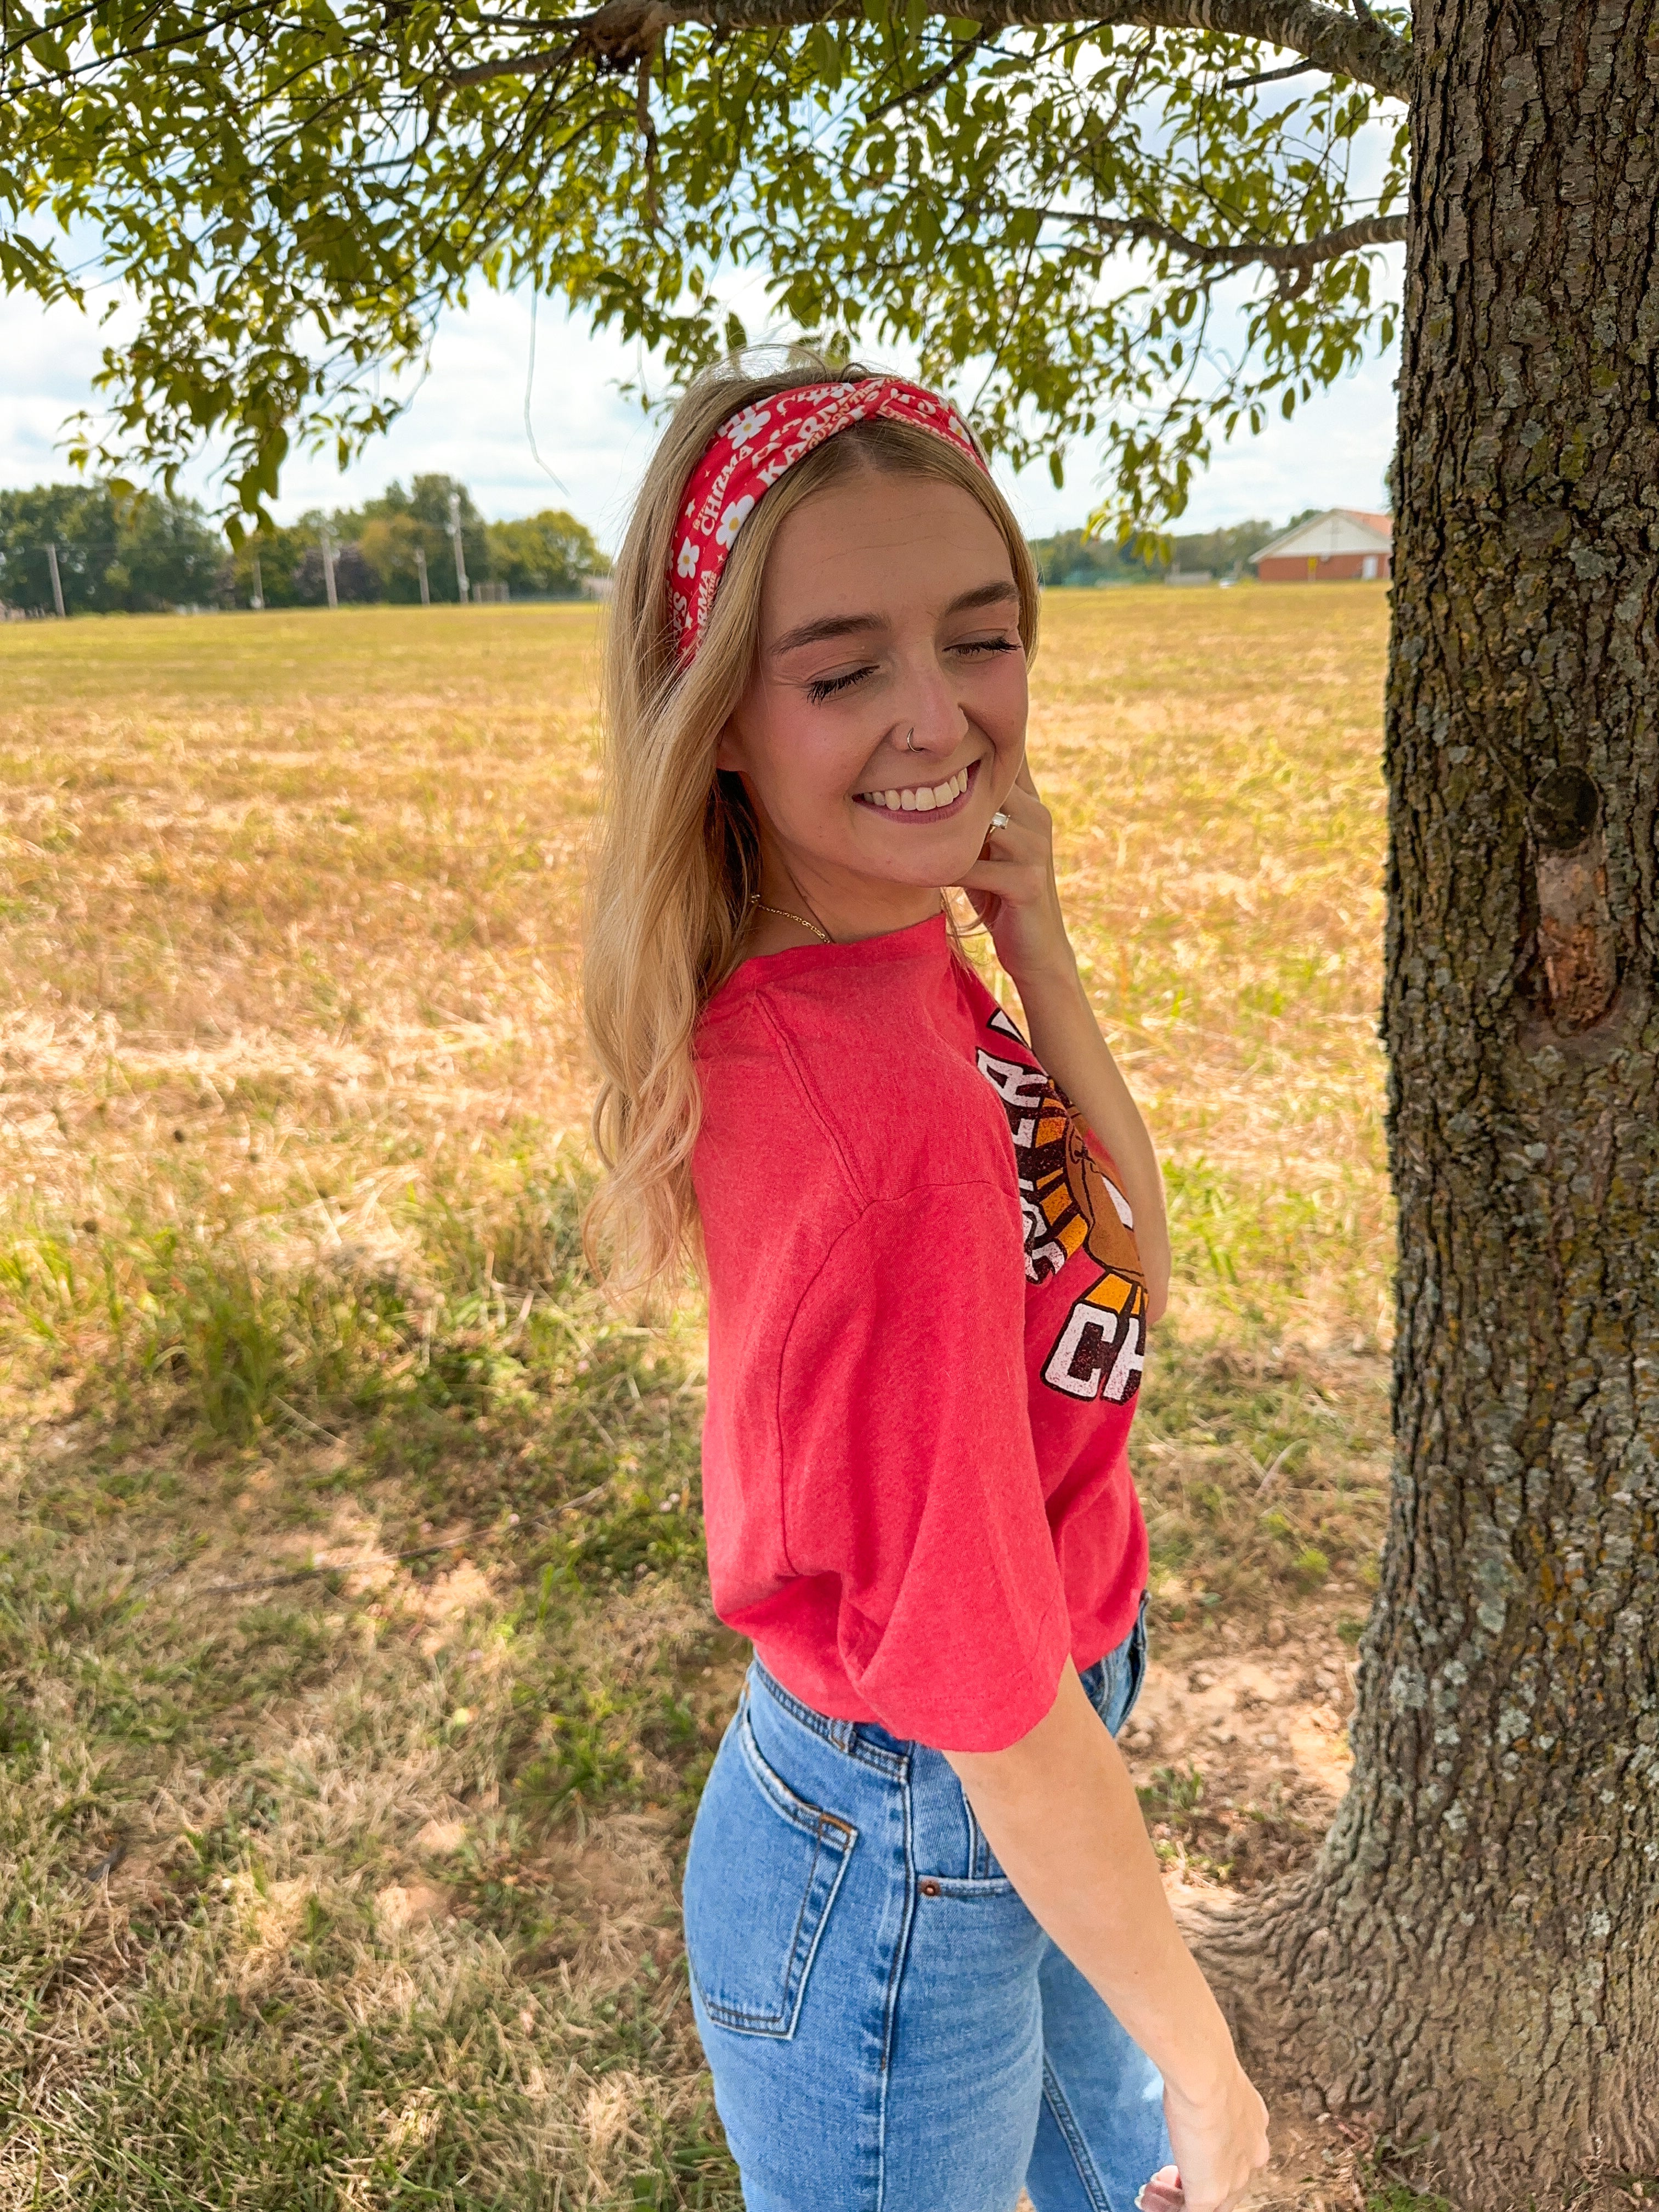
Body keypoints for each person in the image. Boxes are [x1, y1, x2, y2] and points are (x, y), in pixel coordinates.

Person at [583, 353, 1270, 2212]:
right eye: (840, 668)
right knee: (1161, 2158)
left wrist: (1029, 931)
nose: (936, 717)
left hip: (1017, 1795)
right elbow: (989, 1704)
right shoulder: (860, 1121)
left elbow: (1120, 1245)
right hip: (919, 1845)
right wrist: (1219, 2083)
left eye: (980, 638)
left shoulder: (893, 951)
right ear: (721, 715)